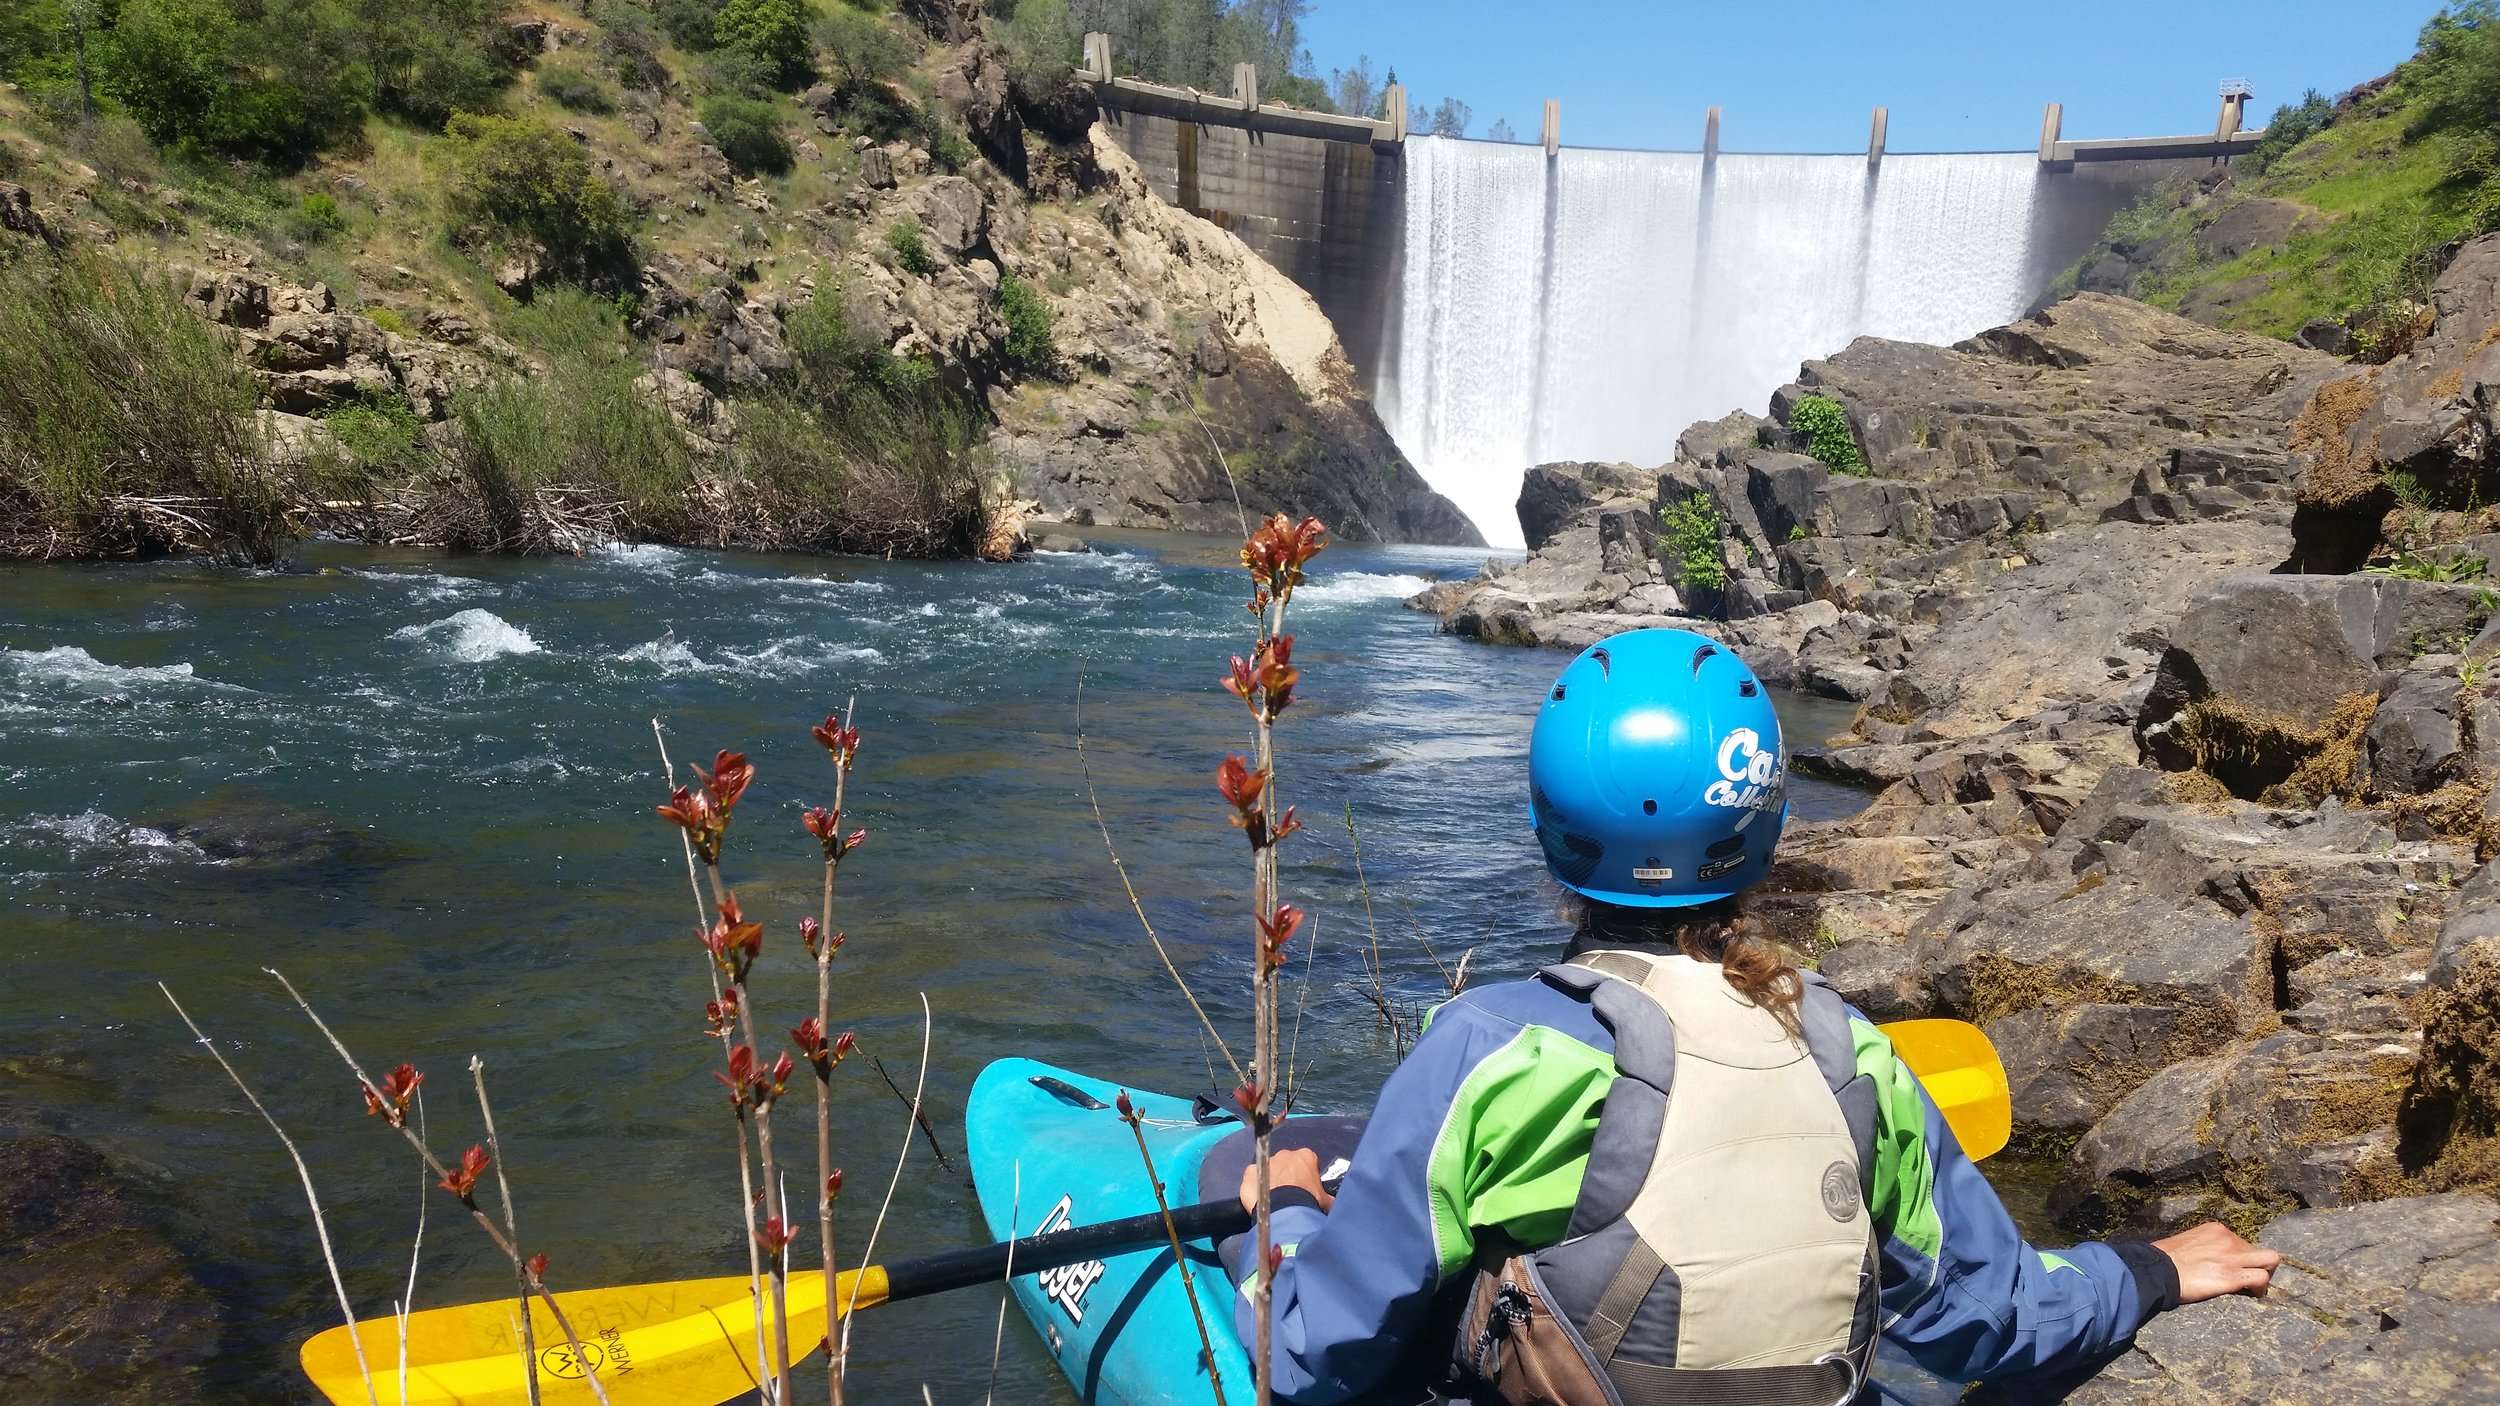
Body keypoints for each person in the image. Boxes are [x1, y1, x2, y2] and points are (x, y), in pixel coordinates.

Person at [1225, 627, 2279, 1405]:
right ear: (1762, 828)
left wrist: (1283, 1217)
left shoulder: (1488, 1049)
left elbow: (1313, 1354)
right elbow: (1989, 1320)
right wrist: (2144, 1268)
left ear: (1550, 830)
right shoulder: (1845, 1047)